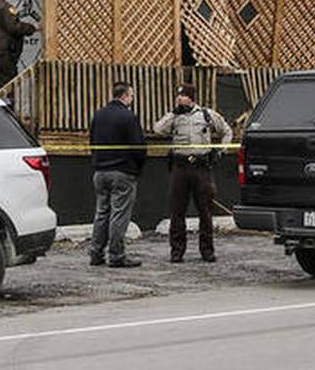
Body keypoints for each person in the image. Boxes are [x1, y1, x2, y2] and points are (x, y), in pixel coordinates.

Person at [151, 84, 232, 262]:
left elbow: (227, 131)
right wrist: (173, 113)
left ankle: (207, 251)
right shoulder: (174, 116)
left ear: (192, 98)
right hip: (180, 167)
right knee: (177, 211)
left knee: (205, 211)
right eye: (178, 96)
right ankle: (177, 251)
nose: (179, 99)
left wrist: (221, 151)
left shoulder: (206, 115)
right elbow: (157, 129)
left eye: (183, 96)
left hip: (201, 167)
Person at [88, 82, 146, 268]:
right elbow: (139, 147)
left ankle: (96, 253)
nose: (133, 99)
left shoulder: (99, 115)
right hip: (122, 172)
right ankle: (116, 255)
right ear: (126, 96)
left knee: (101, 213)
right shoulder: (128, 117)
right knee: (119, 215)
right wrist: (137, 169)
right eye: (132, 95)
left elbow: (92, 141)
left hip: (100, 171)